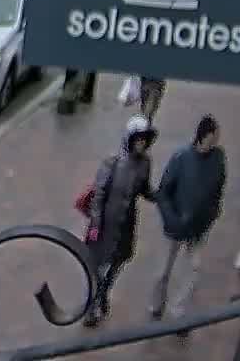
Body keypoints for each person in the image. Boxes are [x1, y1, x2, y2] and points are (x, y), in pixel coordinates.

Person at [151, 115, 226, 330]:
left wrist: (212, 214)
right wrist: (171, 219)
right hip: (175, 225)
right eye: (214, 135)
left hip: (199, 227)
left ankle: (178, 312)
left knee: (193, 269)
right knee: (163, 270)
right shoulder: (181, 158)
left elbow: (218, 189)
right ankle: (156, 305)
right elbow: (163, 192)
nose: (217, 140)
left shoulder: (218, 159)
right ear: (204, 136)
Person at [83, 116, 159, 327]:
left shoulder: (145, 163)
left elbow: (144, 189)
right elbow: (98, 195)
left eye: (145, 140)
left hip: (126, 223)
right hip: (106, 223)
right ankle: (91, 307)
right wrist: (96, 224)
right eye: (138, 139)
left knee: (117, 263)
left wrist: (162, 196)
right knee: (97, 266)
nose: (142, 144)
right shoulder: (112, 162)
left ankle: (103, 294)